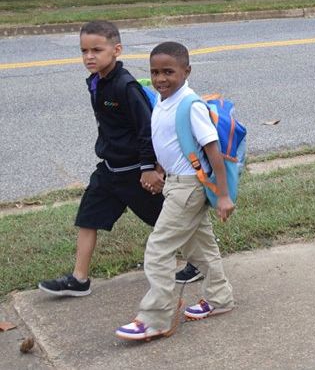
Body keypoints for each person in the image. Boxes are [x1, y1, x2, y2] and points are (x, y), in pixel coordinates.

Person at [38, 21, 197, 298]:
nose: (89, 56)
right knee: (88, 217)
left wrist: (149, 168)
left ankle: (198, 262)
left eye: (97, 50)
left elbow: (148, 129)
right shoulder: (97, 81)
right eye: (84, 51)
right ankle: (79, 279)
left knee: (167, 220)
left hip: (135, 171)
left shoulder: (126, 86)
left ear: (117, 50)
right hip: (109, 169)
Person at [116, 41, 235, 341]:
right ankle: (220, 299)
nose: (160, 79)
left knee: (158, 250)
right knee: (201, 247)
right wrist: (158, 169)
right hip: (175, 183)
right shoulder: (162, 101)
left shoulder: (190, 105)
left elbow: (213, 151)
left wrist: (222, 195)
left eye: (168, 72)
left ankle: (157, 317)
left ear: (187, 71)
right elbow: (167, 142)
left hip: (189, 188)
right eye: (155, 72)